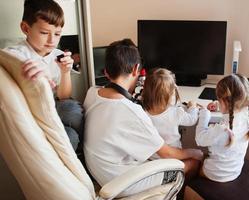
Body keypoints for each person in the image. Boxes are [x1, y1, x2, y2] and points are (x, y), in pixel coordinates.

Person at [83, 38, 203, 197]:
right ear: (136, 69)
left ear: (106, 72)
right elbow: (168, 154)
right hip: (124, 181)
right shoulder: (130, 111)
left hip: (100, 171)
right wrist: (196, 152)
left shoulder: (92, 93)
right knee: (193, 163)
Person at [4, 0, 82, 150]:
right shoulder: (14, 55)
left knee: (72, 111)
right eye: (44, 33)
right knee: (70, 137)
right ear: (25, 28)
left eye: (57, 34)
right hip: (31, 112)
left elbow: (64, 97)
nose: (52, 40)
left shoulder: (58, 55)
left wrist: (65, 72)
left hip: (52, 107)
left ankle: (79, 150)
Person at [195, 74, 249, 182]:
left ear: (226, 102)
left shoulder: (222, 130)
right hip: (235, 170)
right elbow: (234, 108)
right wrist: (219, 105)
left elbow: (199, 139)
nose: (218, 101)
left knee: (194, 161)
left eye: (219, 99)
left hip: (216, 174)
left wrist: (204, 114)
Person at [142, 68, 200, 157]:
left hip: (150, 158)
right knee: (198, 157)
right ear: (170, 95)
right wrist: (193, 107)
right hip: (173, 157)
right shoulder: (175, 112)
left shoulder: (142, 112)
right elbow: (192, 120)